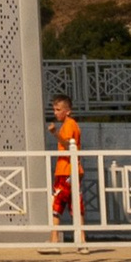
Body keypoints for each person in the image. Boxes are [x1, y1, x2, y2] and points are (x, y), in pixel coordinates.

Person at [46, 88, 84, 235]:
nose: (55, 113)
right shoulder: (69, 125)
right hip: (70, 170)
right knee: (75, 204)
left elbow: (69, 146)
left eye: (58, 109)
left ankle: (54, 239)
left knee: (57, 203)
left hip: (66, 170)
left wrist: (55, 133)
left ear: (67, 111)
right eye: (54, 109)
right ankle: (82, 240)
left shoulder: (69, 125)